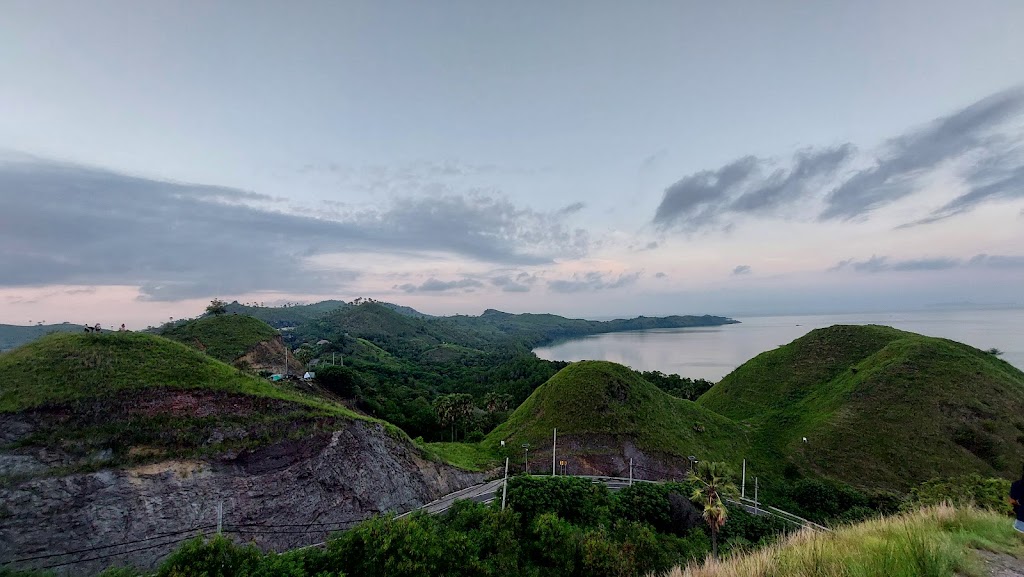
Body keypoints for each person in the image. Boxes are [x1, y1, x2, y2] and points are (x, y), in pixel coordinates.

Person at [1010, 465, 1024, 533]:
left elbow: (1012, 501)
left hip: (1019, 522)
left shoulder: (1016, 484)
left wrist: (1018, 502)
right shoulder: (1017, 484)